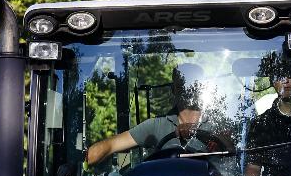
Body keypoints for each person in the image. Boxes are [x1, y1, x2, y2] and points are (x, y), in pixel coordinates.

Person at [83, 63, 227, 166]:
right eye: (182, 84)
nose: (188, 89)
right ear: (173, 89)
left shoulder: (217, 122)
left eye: (193, 84)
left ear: (202, 88)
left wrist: (199, 133)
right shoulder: (156, 125)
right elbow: (111, 145)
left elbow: (233, 150)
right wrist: (84, 161)